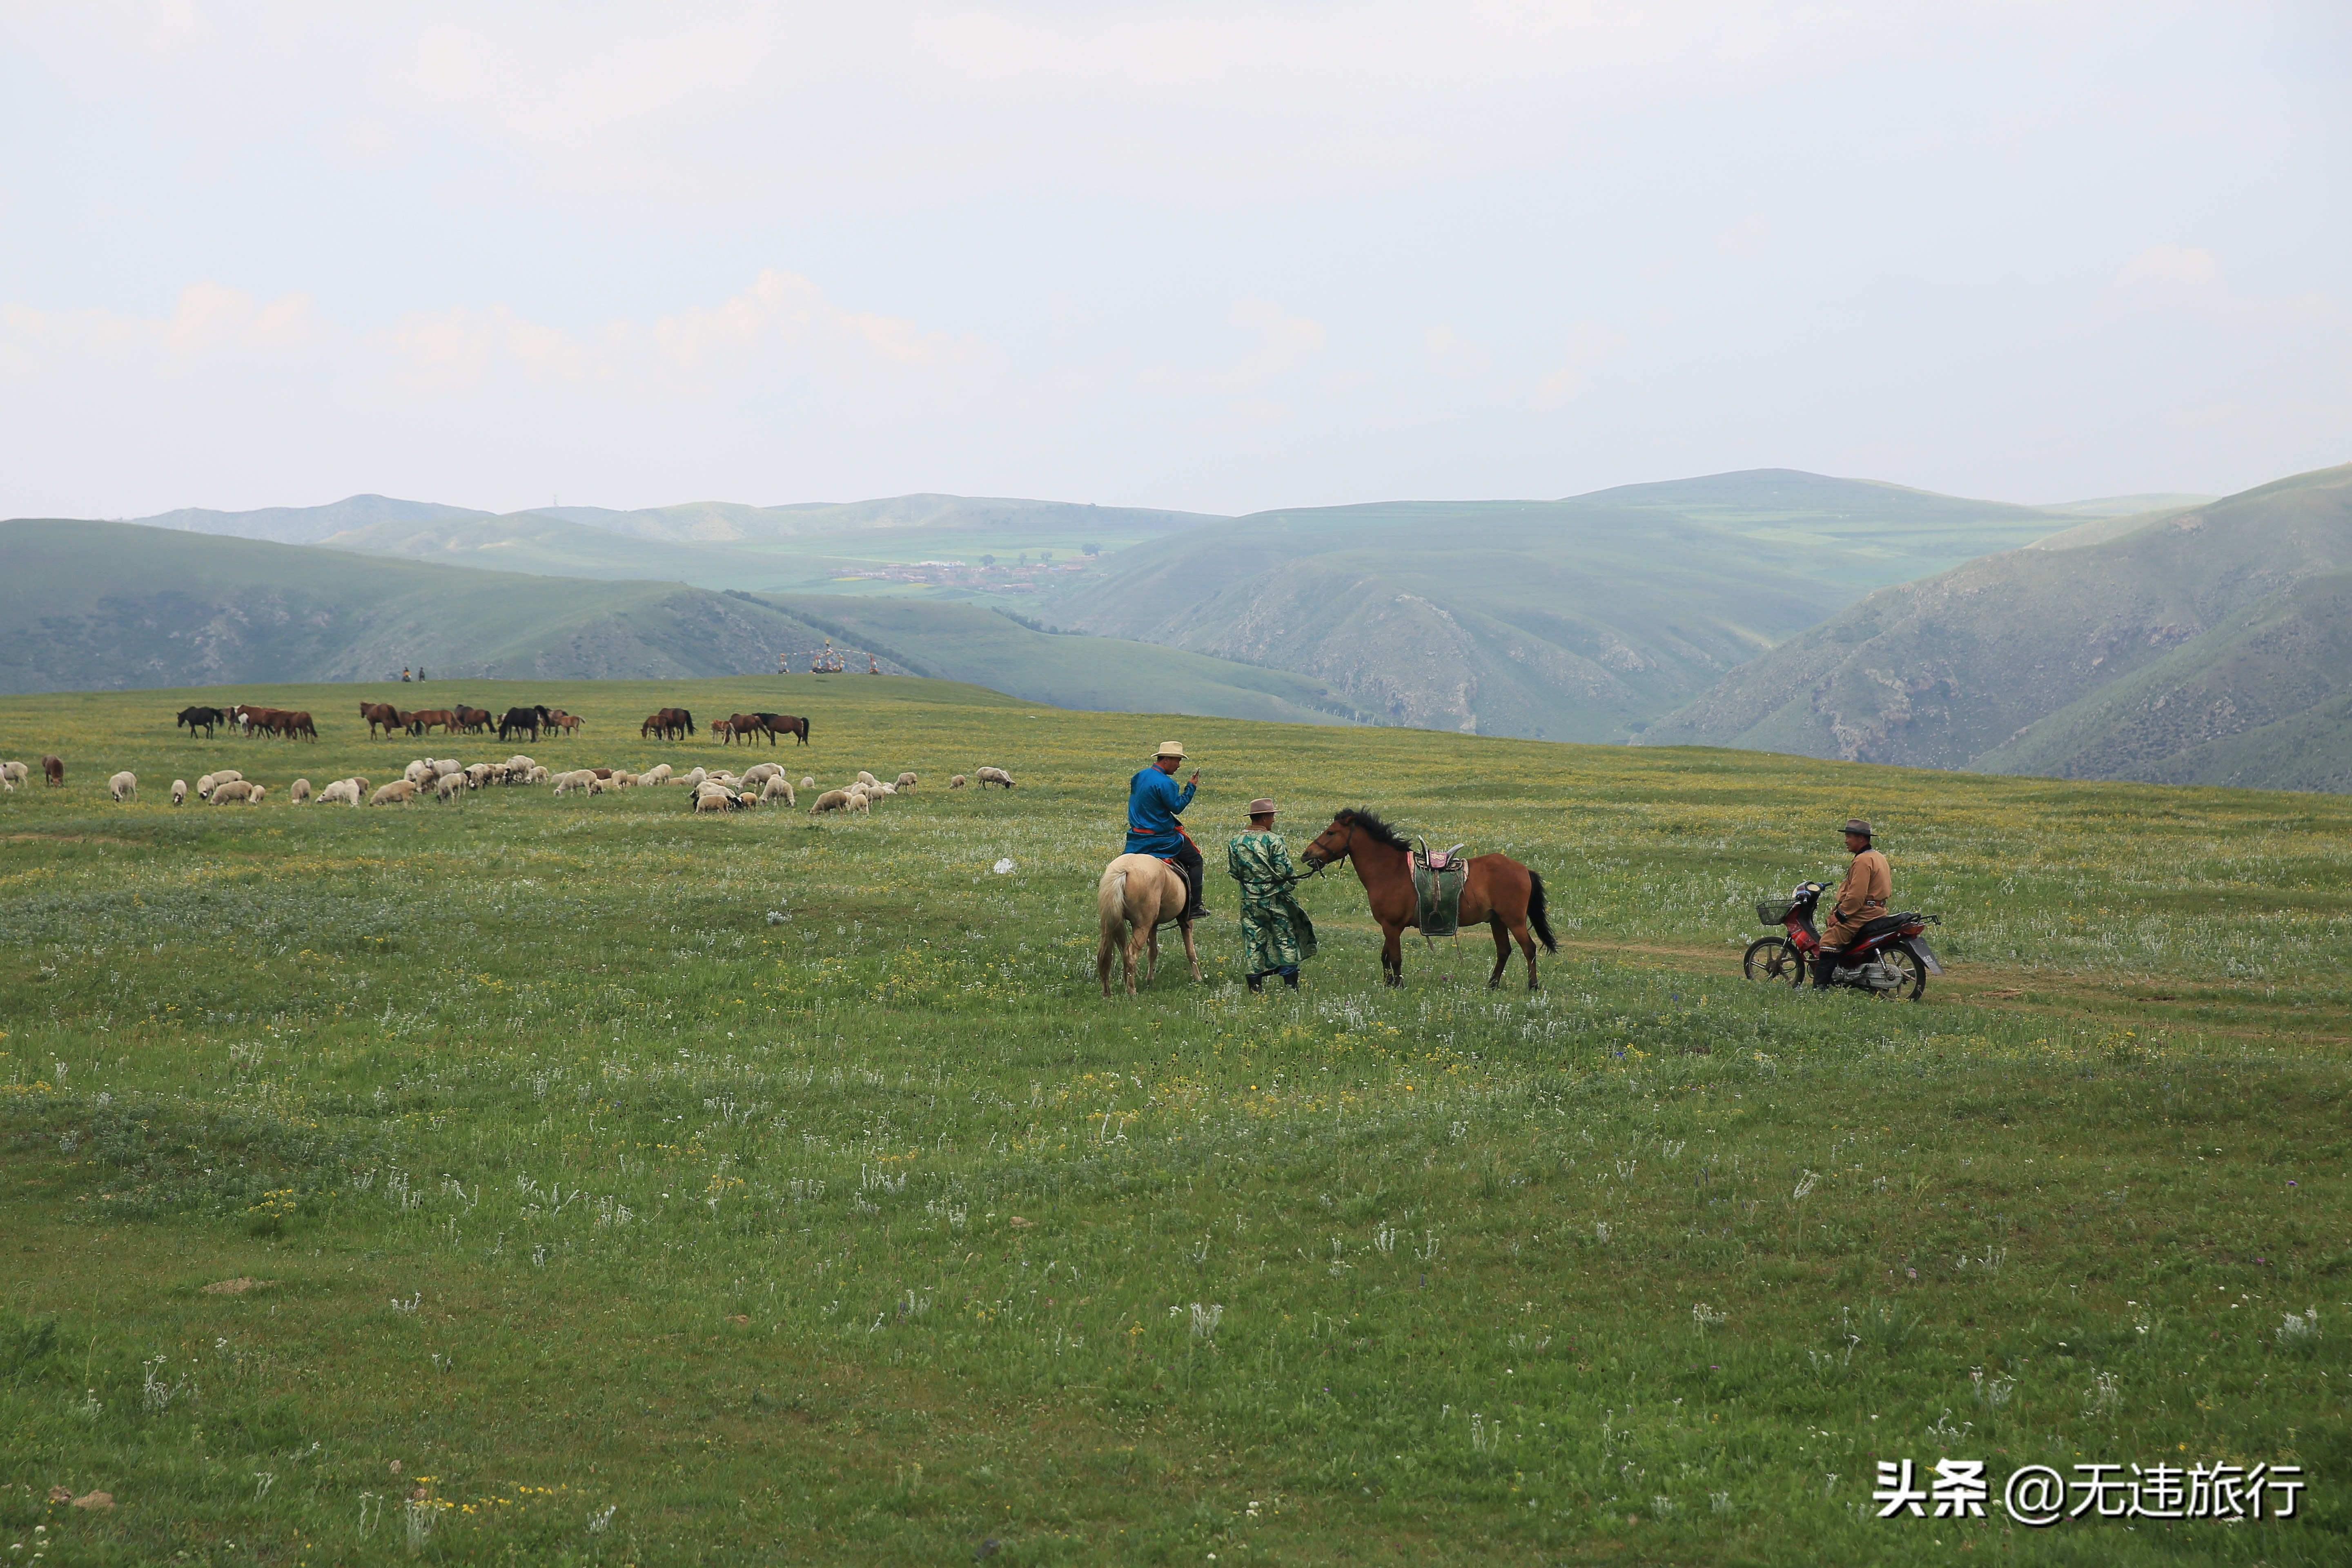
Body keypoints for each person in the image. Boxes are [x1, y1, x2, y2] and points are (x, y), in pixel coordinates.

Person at [1227, 797, 1316, 991]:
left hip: (1249, 901)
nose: (1274, 820)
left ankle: (1255, 988)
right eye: (1272, 816)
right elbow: (1284, 871)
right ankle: (1291, 988)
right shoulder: (1274, 840)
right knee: (1285, 938)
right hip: (1275, 900)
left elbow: (1234, 871)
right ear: (1264, 818)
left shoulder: (1235, 841)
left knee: (1254, 941)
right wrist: (1292, 882)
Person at [1126, 741, 1207, 920]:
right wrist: (1191, 788)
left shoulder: (1138, 776)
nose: (1179, 766)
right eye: (1177, 761)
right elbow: (1177, 807)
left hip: (1136, 839)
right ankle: (1194, 908)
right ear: (1167, 760)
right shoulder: (1167, 783)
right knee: (1196, 860)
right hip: (1161, 840)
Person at [1813, 817, 1891, 988]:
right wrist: (1839, 907)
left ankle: (1820, 989)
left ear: (1861, 839)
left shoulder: (1863, 860)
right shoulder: (1877, 856)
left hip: (1864, 913)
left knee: (1828, 941)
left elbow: (1857, 896)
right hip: (1878, 910)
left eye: (1849, 836)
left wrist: (1840, 916)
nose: (1846, 841)